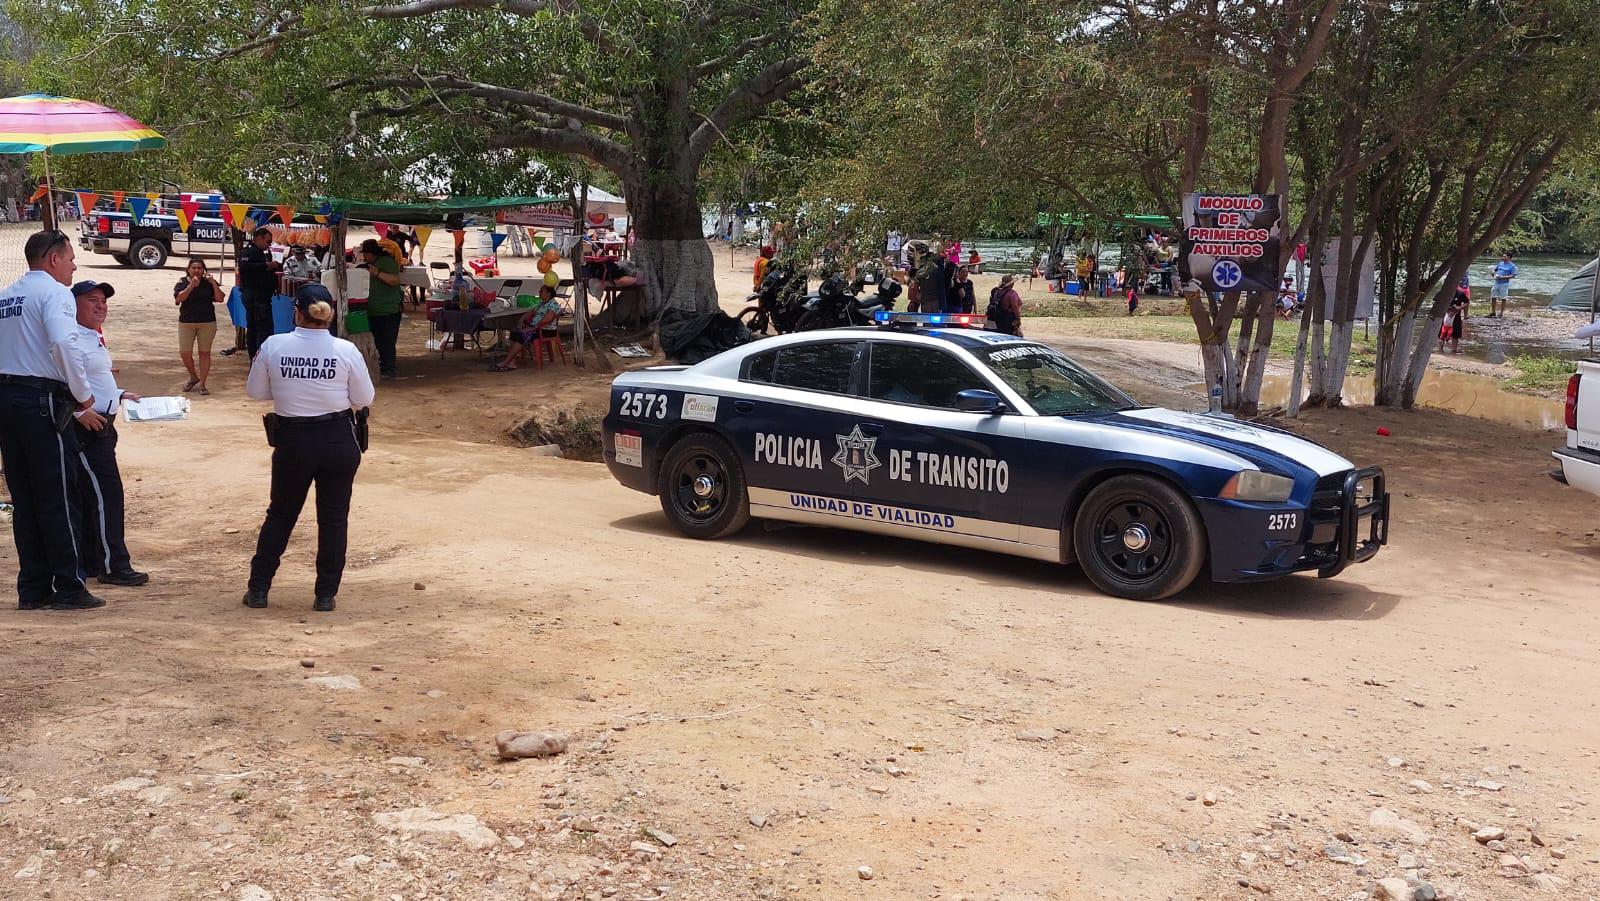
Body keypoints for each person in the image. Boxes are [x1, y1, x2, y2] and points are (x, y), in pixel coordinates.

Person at [243, 286, 376, 612]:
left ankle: (259, 589)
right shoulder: (345, 350)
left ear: (297, 312)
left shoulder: (274, 345)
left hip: (294, 440)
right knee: (333, 519)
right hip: (337, 438)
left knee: (281, 515)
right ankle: (325, 595)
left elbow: (256, 392)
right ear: (329, 312)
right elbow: (364, 398)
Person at [0, 230, 103, 610]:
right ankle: (70, 585)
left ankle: (33, 587)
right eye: (70, 258)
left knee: (25, 499)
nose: (74, 265)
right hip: (42, 400)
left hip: (7, 400)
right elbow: (63, 343)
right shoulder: (54, 292)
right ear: (53, 259)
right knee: (59, 495)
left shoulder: (6, 295)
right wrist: (81, 394)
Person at [68, 280, 148, 588]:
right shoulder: (70, 338)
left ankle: (91, 560)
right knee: (106, 495)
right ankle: (114, 565)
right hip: (87, 427)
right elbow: (62, 379)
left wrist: (119, 393)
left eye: (103, 301)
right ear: (72, 304)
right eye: (92, 300)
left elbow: (93, 378)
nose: (101, 306)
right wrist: (78, 411)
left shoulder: (91, 335)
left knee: (93, 495)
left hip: (104, 422)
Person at [175, 258, 226, 395]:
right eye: (194, 268)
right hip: (186, 322)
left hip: (207, 322)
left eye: (199, 268)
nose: (197, 270)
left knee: (204, 353)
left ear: (204, 270)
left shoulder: (208, 283)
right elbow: (178, 299)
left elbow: (220, 299)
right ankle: (193, 377)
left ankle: (203, 384)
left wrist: (214, 284)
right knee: (185, 353)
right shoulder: (183, 282)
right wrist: (190, 286)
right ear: (188, 269)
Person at [490, 286, 563, 372]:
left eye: (541, 291)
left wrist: (533, 327)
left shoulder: (553, 304)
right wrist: (521, 320)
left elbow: (548, 319)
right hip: (535, 328)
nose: (539, 292)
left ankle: (506, 362)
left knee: (522, 335)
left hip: (546, 330)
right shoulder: (541, 303)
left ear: (548, 293)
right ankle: (512, 363)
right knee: (514, 332)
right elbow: (530, 313)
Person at [360, 238, 404, 380]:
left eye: (365, 254)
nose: (364, 257)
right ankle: (382, 366)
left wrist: (378, 274)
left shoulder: (387, 262)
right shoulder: (369, 264)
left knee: (387, 342)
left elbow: (395, 280)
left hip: (388, 310)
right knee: (378, 341)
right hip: (373, 310)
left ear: (372, 253)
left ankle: (389, 369)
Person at [238, 227, 283, 359]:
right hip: (256, 298)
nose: (269, 245)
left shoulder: (261, 252)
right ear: (259, 238)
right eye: (268, 241)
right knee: (261, 330)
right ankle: (259, 359)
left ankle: (257, 359)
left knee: (258, 329)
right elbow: (245, 267)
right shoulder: (250, 251)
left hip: (262, 297)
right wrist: (267, 266)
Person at [1439, 283, 1468, 354]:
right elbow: (1437, 301)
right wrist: (1445, 309)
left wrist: (1459, 308)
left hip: (1456, 316)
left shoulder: (1460, 293)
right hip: (1445, 315)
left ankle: (1454, 350)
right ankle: (1440, 350)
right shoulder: (1443, 292)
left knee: (1456, 335)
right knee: (1442, 333)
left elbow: (1466, 302)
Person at [1490, 252, 1516, 318]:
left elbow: (1513, 276)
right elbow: (1495, 270)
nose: (1503, 257)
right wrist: (1493, 273)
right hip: (1496, 282)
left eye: (1504, 256)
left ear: (1509, 257)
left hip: (1504, 284)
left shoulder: (1512, 266)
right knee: (1493, 296)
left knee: (1503, 298)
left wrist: (1502, 277)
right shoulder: (1500, 263)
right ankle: (1493, 312)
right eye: (1503, 256)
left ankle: (1501, 313)